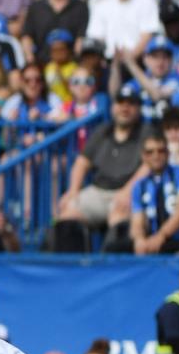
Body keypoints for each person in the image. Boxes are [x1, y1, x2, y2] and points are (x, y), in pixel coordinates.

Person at [54, 88, 149, 250]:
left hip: (128, 193)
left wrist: (128, 191)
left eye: (131, 104)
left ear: (139, 109)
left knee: (120, 221)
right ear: (113, 107)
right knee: (67, 214)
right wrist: (73, 191)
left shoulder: (146, 132)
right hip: (99, 190)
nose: (125, 108)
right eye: (120, 103)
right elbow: (81, 162)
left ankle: (113, 272)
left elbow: (149, 165)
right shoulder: (102, 131)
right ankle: (72, 271)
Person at [127, 130, 179, 255]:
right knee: (114, 247)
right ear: (143, 156)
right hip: (152, 241)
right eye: (150, 152)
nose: (156, 156)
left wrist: (161, 236)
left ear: (168, 153)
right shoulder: (139, 185)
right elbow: (137, 220)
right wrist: (139, 239)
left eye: (161, 151)